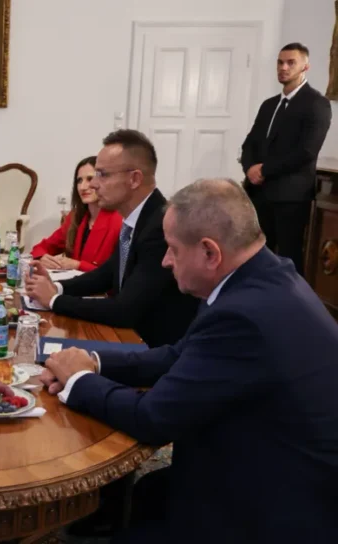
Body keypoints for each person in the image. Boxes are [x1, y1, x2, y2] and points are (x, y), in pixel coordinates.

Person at [41, 178, 338, 544]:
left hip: (277, 505)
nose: (166, 261)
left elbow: (152, 418)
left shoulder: (243, 315)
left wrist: (78, 381)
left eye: (173, 249)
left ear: (210, 252)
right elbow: (179, 354)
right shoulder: (263, 275)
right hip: (267, 459)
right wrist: (92, 362)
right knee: (147, 494)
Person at [25, 130, 199, 347]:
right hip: (130, 338)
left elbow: (125, 310)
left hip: (151, 347)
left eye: (102, 175)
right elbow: (107, 274)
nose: (93, 184)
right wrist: (56, 286)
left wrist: (54, 300)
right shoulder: (137, 218)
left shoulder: (160, 227)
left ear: (134, 179)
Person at [241, 42, 332, 275]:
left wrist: (264, 170)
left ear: (305, 67)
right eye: (280, 62)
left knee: (288, 258)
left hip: (290, 196)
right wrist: (250, 168)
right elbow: (250, 142)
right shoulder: (269, 105)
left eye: (291, 63)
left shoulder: (317, 104)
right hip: (259, 192)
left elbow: (306, 151)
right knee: (255, 255)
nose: (283, 67)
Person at [31, 156, 122, 271]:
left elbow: (117, 273)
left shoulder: (119, 220)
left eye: (90, 179)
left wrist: (78, 265)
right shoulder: (75, 216)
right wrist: (42, 257)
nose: (83, 187)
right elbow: (41, 248)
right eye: (79, 181)